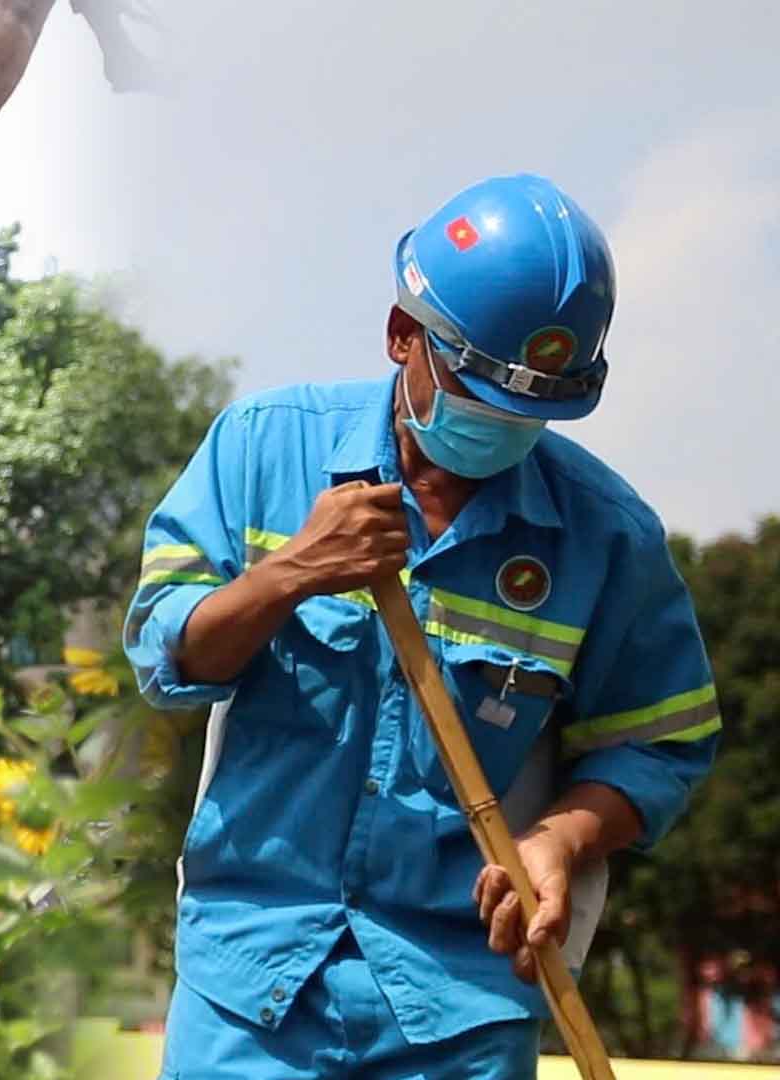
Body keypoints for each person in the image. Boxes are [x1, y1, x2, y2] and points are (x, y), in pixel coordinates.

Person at [125, 174, 720, 1079]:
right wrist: (293, 570)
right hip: (251, 984)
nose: (504, 428)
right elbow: (165, 654)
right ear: (403, 336)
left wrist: (560, 839)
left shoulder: (606, 536)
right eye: (481, 395)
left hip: (461, 1004)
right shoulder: (263, 447)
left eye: (533, 413)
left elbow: (661, 744)